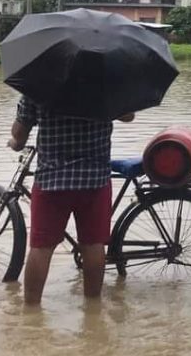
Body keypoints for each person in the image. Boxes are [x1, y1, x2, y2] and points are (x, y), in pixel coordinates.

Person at [8, 98, 134, 306]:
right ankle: (93, 309)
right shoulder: (103, 81)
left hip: (51, 180)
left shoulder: (38, 81)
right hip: (94, 180)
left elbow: (20, 132)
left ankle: (31, 313)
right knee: (93, 244)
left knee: (41, 247)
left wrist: (16, 143)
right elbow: (129, 116)